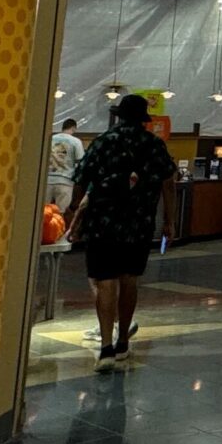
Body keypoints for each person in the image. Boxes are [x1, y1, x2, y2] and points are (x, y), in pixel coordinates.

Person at [63, 94, 175, 369]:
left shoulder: (103, 142)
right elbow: (168, 182)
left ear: (120, 116)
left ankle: (106, 348)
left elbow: (81, 178)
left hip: (103, 224)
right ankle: (123, 340)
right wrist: (169, 220)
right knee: (129, 281)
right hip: (138, 225)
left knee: (105, 283)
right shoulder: (154, 144)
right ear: (144, 120)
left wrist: (75, 209)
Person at [46, 116, 84, 213]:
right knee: (60, 213)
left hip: (47, 180)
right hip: (65, 181)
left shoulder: (51, 139)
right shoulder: (76, 141)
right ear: (73, 128)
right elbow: (81, 160)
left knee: (44, 212)